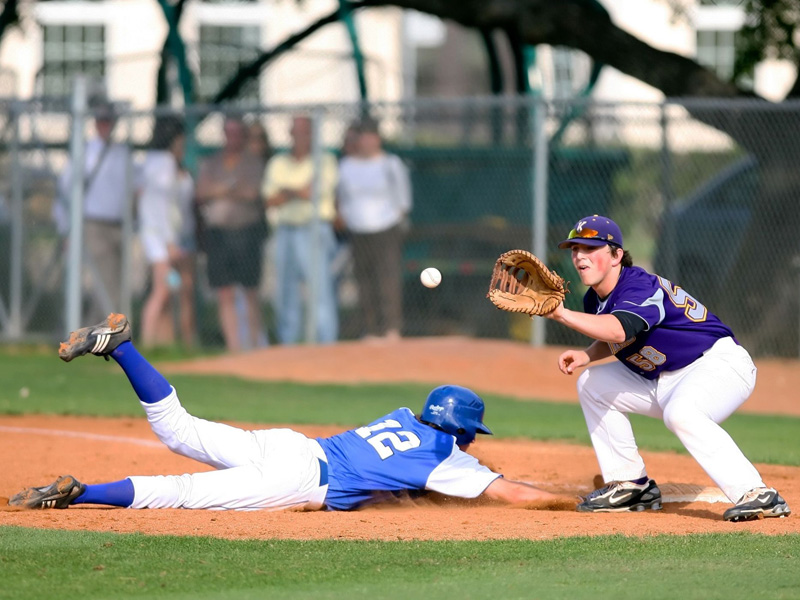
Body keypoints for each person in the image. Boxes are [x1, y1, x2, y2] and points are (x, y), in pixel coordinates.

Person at [9, 314, 574, 512]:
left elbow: (399, 478)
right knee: (179, 491)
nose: (471, 446)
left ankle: (123, 346)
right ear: (459, 431)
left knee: (177, 429)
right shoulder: (443, 457)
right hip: (299, 478)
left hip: (291, 445)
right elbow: (512, 494)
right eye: (470, 436)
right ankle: (80, 494)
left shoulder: (404, 417)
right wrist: (576, 501)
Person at [544, 214, 791, 522]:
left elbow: (621, 329)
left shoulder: (639, 286)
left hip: (717, 364)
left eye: (590, 248)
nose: (580, 256)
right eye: (575, 249)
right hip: (665, 378)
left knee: (682, 413)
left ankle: (757, 493)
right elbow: (622, 336)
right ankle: (631, 486)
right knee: (592, 383)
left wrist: (561, 315)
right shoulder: (594, 299)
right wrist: (588, 355)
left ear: (617, 255)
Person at [262, 115, 339, 345]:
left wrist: (286, 192)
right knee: (285, 291)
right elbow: (270, 200)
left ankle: (325, 344)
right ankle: (288, 344)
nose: (300, 136)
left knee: (319, 290)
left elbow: (313, 192)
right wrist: (297, 191)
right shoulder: (278, 163)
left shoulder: (324, 160)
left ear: (313, 135)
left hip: (314, 229)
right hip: (285, 230)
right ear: (290, 134)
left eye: (305, 131)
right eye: (296, 131)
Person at [54, 100, 131, 323]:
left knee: (115, 282)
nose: (105, 125)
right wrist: (65, 228)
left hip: (119, 225)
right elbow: (64, 191)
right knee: (105, 284)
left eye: (109, 120)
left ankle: (98, 332)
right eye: (101, 120)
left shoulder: (122, 152)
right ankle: (99, 333)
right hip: (93, 225)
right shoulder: (85, 153)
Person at [195, 116, 267, 352]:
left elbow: (252, 193)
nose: (232, 137)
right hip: (218, 236)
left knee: (250, 291)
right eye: (229, 132)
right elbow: (202, 192)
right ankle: (235, 348)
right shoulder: (212, 161)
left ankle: (255, 346)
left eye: (237, 133)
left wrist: (220, 189)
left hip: (246, 233)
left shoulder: (253, 162)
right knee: (224, 291)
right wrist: (231, 187)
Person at [336, 119, 412, 342]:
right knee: (364, 280)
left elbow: (403, 200)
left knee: (387, 278)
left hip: (386, 228)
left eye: (371, 136)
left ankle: (391, 328)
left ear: (378, 139)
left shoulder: (391, 164)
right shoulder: (346, 165)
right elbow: (341, 199)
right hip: (358, 230)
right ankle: (371, 330)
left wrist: (395, 220)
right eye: (363, 137)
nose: (367, 141)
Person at [137, 115, 196, 348]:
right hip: (160, 239)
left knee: (172, 288)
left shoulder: (151, 162)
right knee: (162, 291)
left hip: (158, 236)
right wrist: (170, 242)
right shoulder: (164, 164)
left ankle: (164, 343)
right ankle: (148, 343)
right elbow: (163, 207)